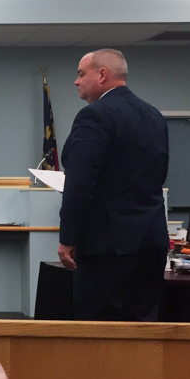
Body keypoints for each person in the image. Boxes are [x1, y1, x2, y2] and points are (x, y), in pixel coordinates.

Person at [57, 49, 169, 321]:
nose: (76, 81)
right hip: (151, 242)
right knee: (143, 328)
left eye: (81, 74)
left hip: (107, 245)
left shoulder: (95, 116)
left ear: (102, 75)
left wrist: (68, 238)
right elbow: (160, 174)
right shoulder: (154, 115)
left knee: (100, 332)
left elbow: (80, 182)